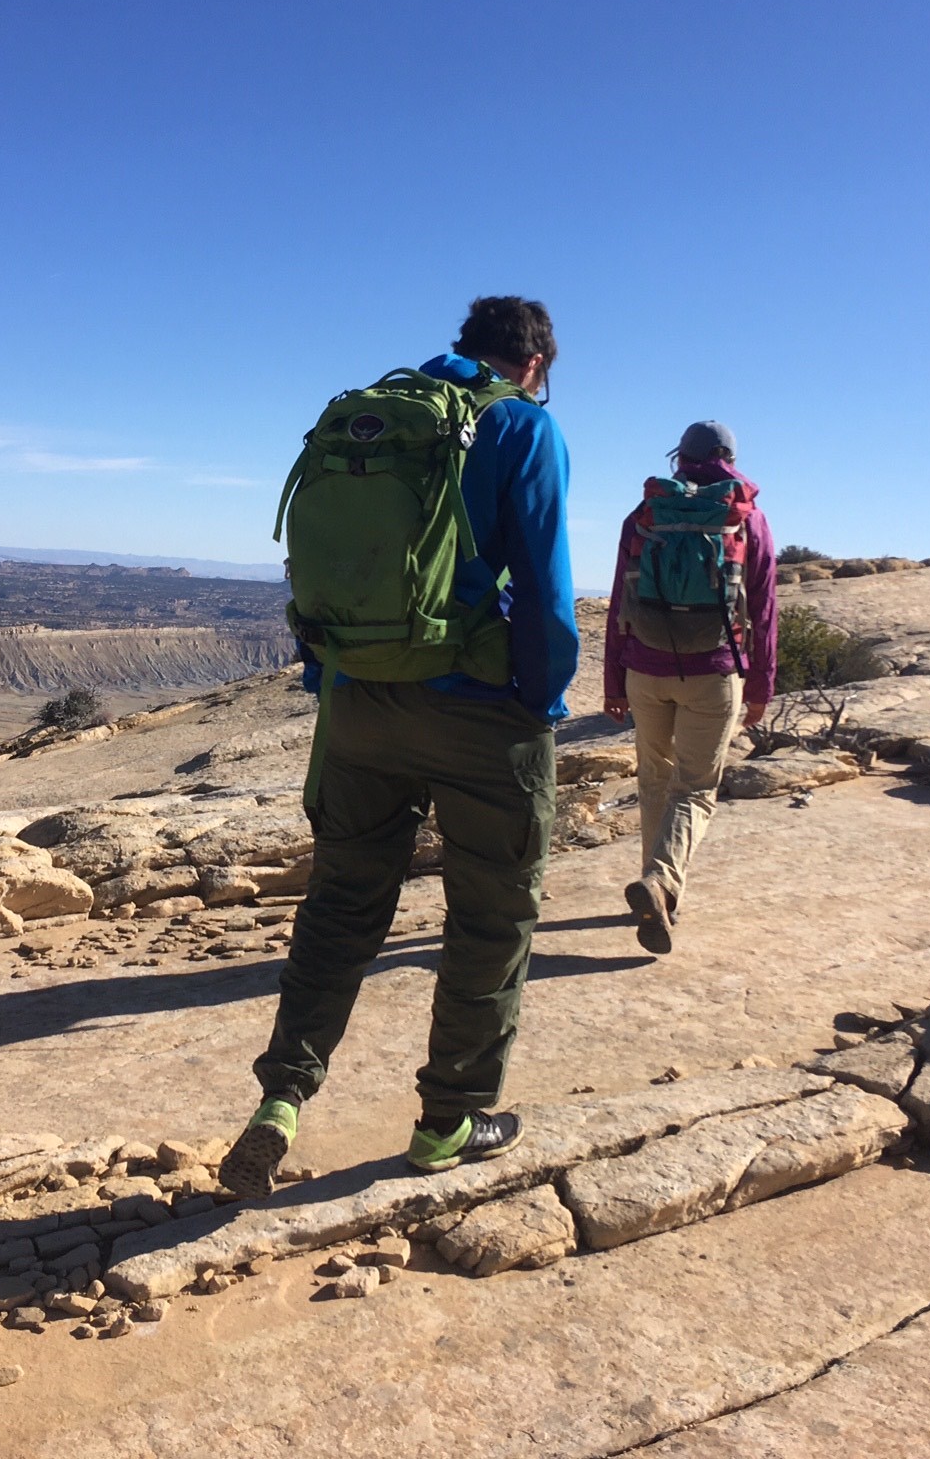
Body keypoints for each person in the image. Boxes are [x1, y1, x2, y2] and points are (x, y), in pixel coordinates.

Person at [222, 296, 579, 1196]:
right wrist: (538, 701)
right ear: (536, 362)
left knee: (343, 905)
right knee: (491, 916)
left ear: (461, 345)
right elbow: (545, 589)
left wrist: (332, 678)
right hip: (476, 712)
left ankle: (282, 1100)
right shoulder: (521, 425)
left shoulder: (369, 414)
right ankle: (449, 1120)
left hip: (357, 704)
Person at [604, 420, 776, 954]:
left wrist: (613, 680)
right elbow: (764, 609)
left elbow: (618, 603)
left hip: (645, 670)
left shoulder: (646, 514)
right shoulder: (744, 517)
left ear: (682, 456)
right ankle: (660, 883)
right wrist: (761, 686)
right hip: (713, 670)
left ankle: (658, 895)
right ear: (729, 457)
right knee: (696, 788)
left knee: (655, 777)